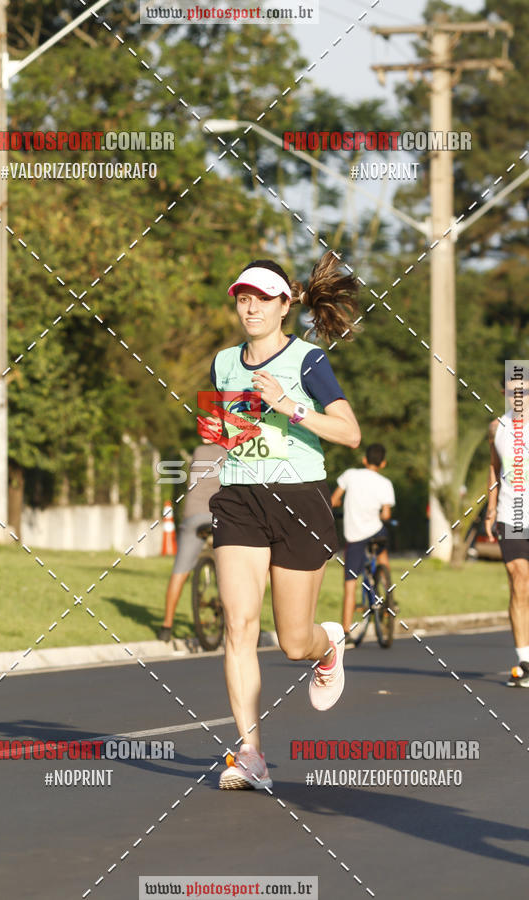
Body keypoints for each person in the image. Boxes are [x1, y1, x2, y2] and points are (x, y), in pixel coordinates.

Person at [198, 252, 361, 790]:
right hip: (241, 498)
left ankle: (327, 646)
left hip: (300, 499)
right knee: (239, 625)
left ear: (285, 305)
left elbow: (348, 433)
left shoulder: (308, 361)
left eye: (262, 299)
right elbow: (231, 431)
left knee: (293, 641)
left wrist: (288, 405)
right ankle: (250, 755)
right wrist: (217, 431)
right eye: (243, 298)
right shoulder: (224, 361)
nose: (251, 308)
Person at [485, 370, 529, 687]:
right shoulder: (496, 428)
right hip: (510, 515)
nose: (518, 396)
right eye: (513, 390)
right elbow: (494, 467)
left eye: (523, 390)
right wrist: (489, 508)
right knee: (519, 579)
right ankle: (525, 660)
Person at [157, 443, 227, 641]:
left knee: (179, 571)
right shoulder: (229, 453)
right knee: (233, 568)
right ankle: (235, 620)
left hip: (193, 517)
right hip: (219, 517)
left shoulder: (197, 451)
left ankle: (166, 627)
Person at [330, 444, 395, 642]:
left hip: (355, 536)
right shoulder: (385, 483)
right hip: (376, 531)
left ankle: (346, 630)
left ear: (364, 460)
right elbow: (386, 513)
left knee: (350, 583)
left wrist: (340, 505)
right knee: (382, 554)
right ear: (383, 463)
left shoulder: (350, 475)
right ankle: (387, 590)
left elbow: (333, 500)